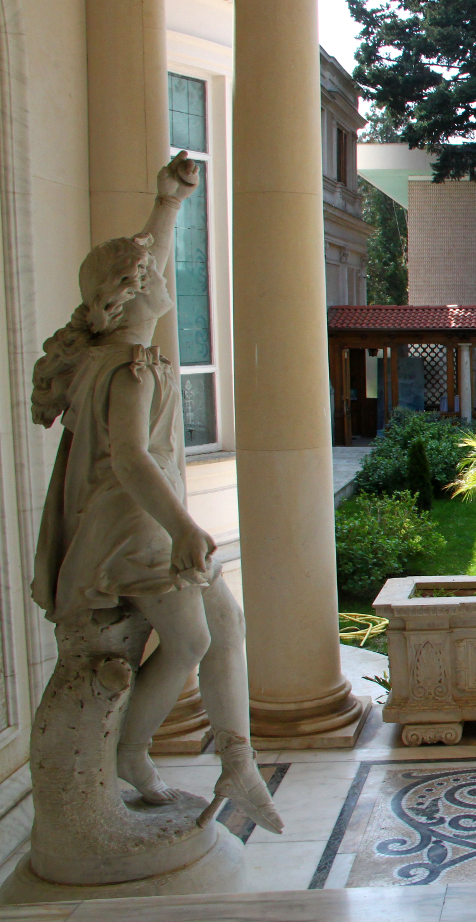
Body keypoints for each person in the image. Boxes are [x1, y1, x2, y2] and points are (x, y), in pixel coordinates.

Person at [29, 152, 282, 834]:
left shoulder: (121, 350)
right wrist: (182, 529)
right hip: (133, 527)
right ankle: (131, 751)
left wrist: (166, 204)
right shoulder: (130, 368)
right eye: (149, 279)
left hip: (151, 517)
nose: (163, 280)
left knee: (228, 625)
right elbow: (132, 458)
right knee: (194, 638)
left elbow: (150, 262)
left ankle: (238, 760)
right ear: (127, 297)